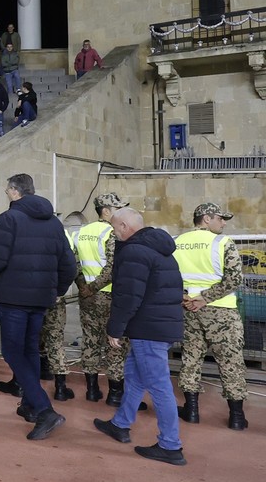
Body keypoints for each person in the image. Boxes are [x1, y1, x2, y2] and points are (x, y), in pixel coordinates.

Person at [0, 173, 78, 441]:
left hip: (13, 297)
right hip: (41, 298)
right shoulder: (54, 222)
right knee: (30, 347)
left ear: (13, 191)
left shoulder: (8, 219)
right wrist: (57, 290)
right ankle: (30, 404)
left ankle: (44, 409)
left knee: (12, 351)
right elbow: (68, 263)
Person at [93, 208, 186, 466]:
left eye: (114, 229)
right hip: (160, 326)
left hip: (148, 329)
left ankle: (170, 445)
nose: (114, 234)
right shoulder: (160, 248)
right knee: (134, 376)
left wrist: (115, 328)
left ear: (124, 226)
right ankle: (120, 424)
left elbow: (128, 295)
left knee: (159, 386)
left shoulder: (134, 252)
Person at [173, 202, 249, 431]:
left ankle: (191, 410)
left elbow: (167, 274)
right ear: (206, 218)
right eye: (220, 218)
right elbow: (234, 279)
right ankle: (236, 417)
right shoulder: (223, 243)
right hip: (222, 312)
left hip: (188, 310)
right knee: (231, 363)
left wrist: (186, 296)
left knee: (191, 358)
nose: (223, 223)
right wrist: (205, 298)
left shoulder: (177, 242)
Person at [76, 193, 128, 404]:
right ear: (105, 211)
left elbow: (74, 263)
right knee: (115, 343)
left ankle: (92, 390)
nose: (120, 213)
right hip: (108, 295)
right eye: (117, 209)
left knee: (90, 340)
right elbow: (111, 268)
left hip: (87, 296)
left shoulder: (81, 232)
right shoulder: (112, 233)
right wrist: (95, 287)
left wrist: (83, 287)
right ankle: (115, 395)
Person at [40, 213, 81, 402]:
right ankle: (60, 388)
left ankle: (34, 378)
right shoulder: (64, 240)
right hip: (55, 297)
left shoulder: (31, 236)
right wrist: (60, 290)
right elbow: (72, 268)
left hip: (33, 298)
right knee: (55, 340)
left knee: (32, 338)